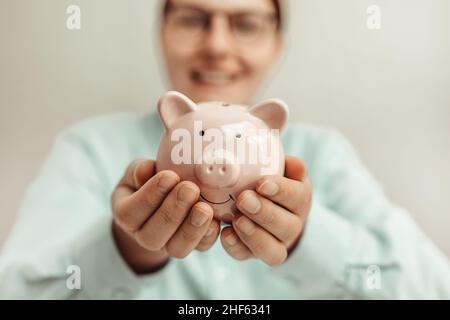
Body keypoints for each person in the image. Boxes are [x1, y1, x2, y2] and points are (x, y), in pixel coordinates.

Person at [0, 0, 449, 299]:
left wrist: (305, 239)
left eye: (246, 24)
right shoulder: (89, 149)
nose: (217, 46)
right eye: (194, 19)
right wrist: (124, 250)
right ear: (162, 30)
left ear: (277, 45)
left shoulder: (326, 155)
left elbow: (431, 287)